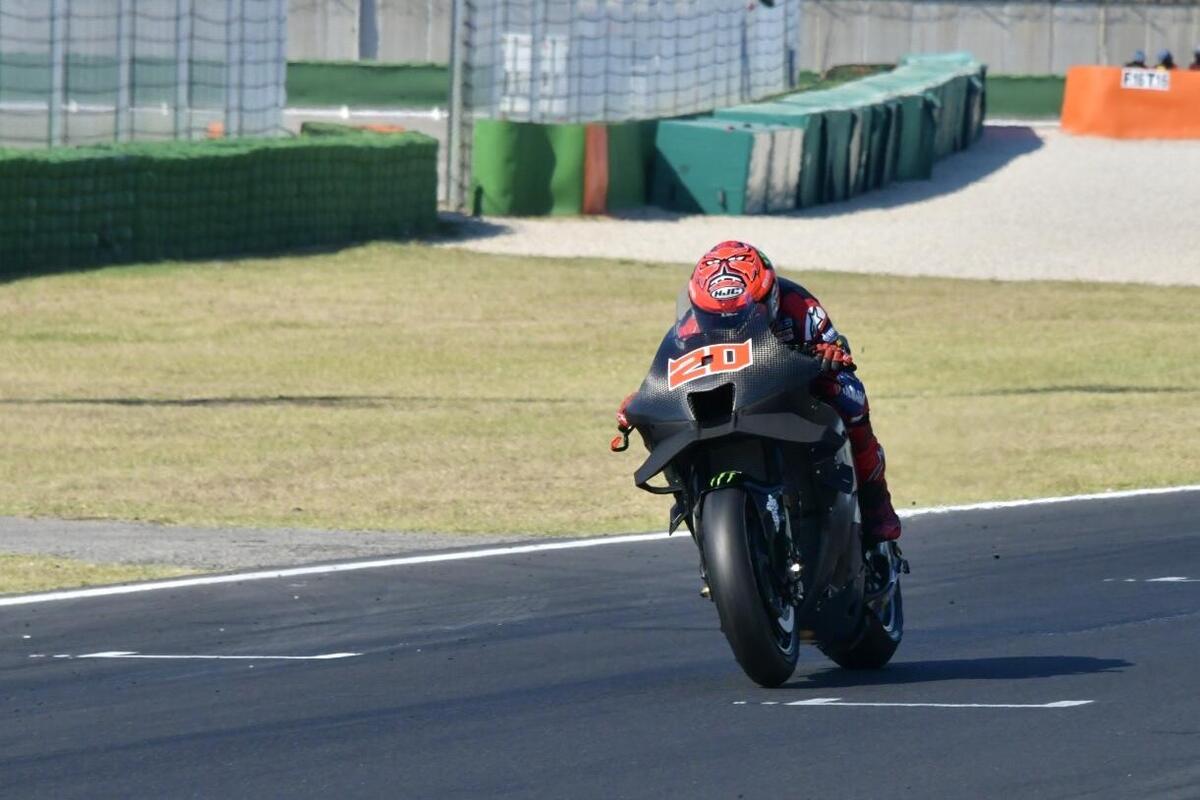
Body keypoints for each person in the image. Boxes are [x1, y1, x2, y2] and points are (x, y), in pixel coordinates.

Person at [618, 241, 902, 544]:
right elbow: (669, 372)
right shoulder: (688, 327)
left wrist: (830, 353)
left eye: (743, 314)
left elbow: (836, 347)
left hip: (791, 386)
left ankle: (876, 502)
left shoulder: (801, 305)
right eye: (712, 317)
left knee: (849, 395)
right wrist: (646, 400)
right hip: (735, 397)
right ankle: (692, 501)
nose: (727, 325)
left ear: (771, 297)